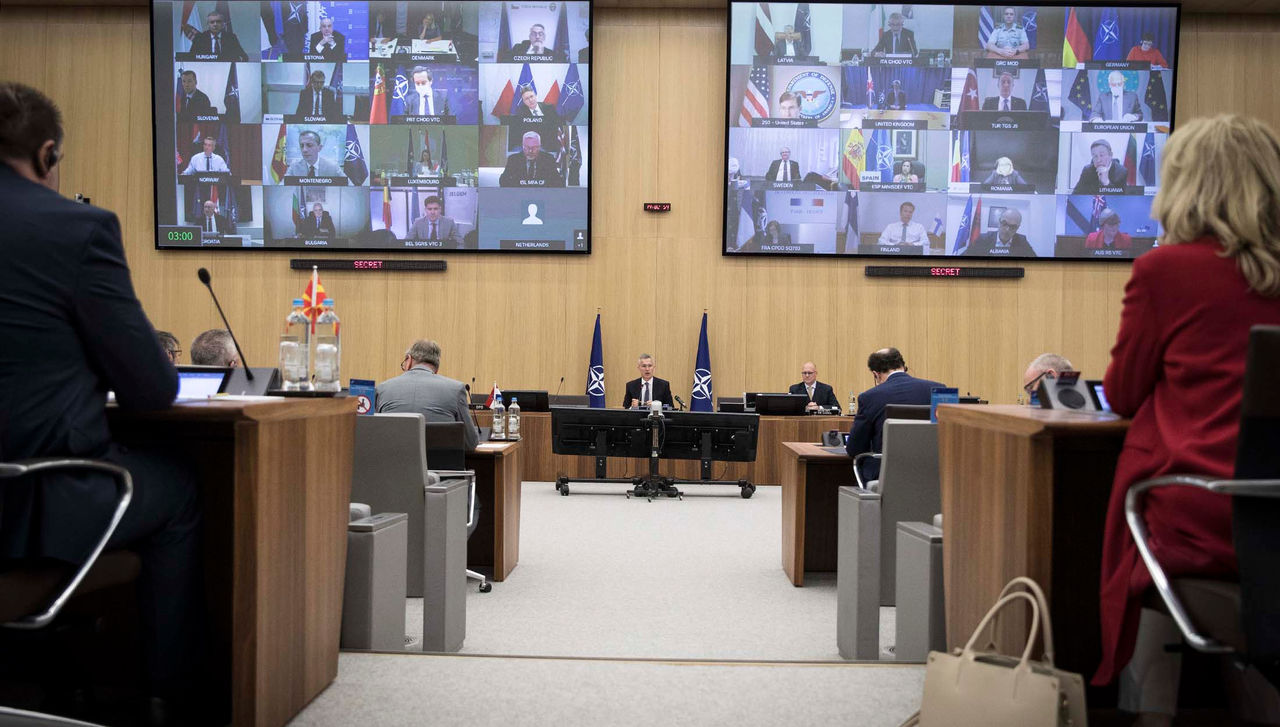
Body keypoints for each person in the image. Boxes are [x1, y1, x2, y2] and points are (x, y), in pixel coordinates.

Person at [0, 82, 205, 720]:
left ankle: (41, 680)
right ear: (47, 154)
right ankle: (166, 701)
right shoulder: (75, 228)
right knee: (180, 489)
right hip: (30, 495)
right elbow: (152, 389)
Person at [1094, 115, 1280, 726]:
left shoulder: (1167, 270)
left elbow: (1122, 393)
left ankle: (1149, 713)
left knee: (1146, 525)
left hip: (1209, 511)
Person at [845, 348, 944, 481]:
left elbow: (854, 448)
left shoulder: (869, 397)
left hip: (885, 478)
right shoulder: (940, 390)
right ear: (903, 367)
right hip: (933, 475)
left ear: (876, 374)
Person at [376, 339, 479, 452]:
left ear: (408, 360)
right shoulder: (456, 389)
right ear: (436, 368)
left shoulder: (382, 389)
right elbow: (471, 443)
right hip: (439, 463)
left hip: (393, 462)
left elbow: (373, 437)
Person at [499, 131, 564, 187]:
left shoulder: (548, 159)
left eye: (534, 147)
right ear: (522, 146)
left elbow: (558, 182)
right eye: (527, 147)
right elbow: (503, 181)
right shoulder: (513, 159)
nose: (530, 151)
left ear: (539, 146)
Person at [965, 208, 1037, 257]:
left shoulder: (1022, 241)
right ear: (999, 222)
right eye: (1004, 223)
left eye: (1013, 227)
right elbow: (965, 257)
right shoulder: (983, 239)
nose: (1007, 229)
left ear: (1017, 228)